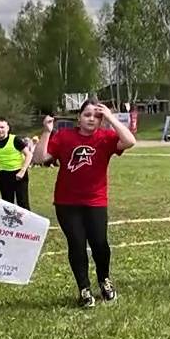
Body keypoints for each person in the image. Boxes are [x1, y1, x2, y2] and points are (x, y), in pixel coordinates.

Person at [31, 101, 136, 307]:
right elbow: (40, 157)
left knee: (100, 244)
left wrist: (111, 118)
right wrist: (46, 131)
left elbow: (130, 141)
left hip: (95, 201)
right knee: (77, 244)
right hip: (67, 203)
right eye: (87, 114)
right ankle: (84, 289)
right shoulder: (63, 137)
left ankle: (104, 280)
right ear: (78, 118)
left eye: (96, 116)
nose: (91, 119)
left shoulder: (105, 138)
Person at [0, 117, 34, 210]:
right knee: (7, 204)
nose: (0, 130)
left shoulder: (15, 140)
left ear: (7, 128)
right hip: (4, 175)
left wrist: (22, 171)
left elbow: (29, 155)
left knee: (22, 203)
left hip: (19, 174)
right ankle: (9, 223)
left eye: (2, 127)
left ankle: (27, 223)